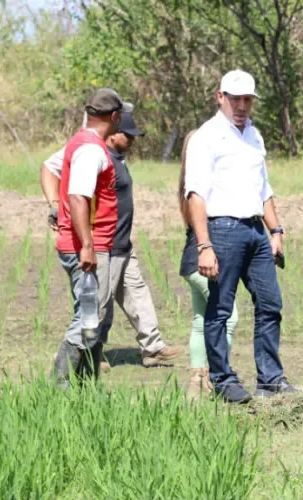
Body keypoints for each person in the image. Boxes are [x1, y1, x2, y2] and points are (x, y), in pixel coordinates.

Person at [181, 69, 296, 404]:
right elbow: (195, 195)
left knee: (271, 303)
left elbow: (264, 189)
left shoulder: (254, 136)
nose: (242, 105)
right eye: (236, 99)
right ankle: (223, 380)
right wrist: (204, 246)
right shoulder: (206, 137)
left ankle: (270, 379)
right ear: (221, 97)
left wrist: (275, 230)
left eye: (247, 99)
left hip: (255, 231)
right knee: (220, 309)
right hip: (222, 229)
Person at [42, 111, 186, 373]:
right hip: (100, 244)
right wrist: (54, 205)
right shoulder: (91, 152)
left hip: (121, 241)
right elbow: (55, 174)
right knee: (97, 307)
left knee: (135, 290)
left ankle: (152, 347)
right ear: (113, 132)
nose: (132, 141)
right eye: (128, 135)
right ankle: (80, 361)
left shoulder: (116, 156)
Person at [51, 87, 129, 386]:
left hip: (92, 244)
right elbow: (78, 197)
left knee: (90, 315)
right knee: (88, 315)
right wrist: (87, 246)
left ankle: (84, 385)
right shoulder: (91, 149)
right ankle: (59, 385)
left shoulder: (83, 142)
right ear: (115, 116)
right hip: (86, 248)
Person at [177, 128, 239, 396]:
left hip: (190, 261)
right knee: (229, 317)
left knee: (202, 318)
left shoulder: (187, 188)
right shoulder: (202, 191)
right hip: (202, 261)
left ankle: (197, 378)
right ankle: (217, 374)